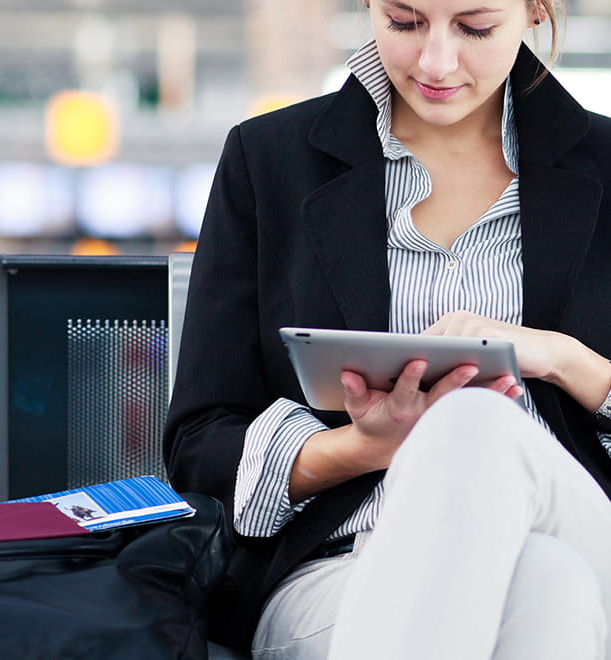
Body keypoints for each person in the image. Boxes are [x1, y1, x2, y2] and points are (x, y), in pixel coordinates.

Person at [164, 0, 611, 657]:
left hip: (578, 522)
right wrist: (366, 446)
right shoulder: (270, 160)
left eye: (475, 27)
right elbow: (201, 443)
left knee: (481, 428)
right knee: (550, 585)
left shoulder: (606, 164)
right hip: (344, 567)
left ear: (535, 12)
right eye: (404, 22)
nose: (435, 61)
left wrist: (562, 358)